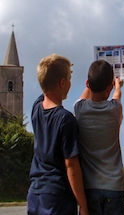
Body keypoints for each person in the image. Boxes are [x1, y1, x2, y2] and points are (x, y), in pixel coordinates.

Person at [27, 54, 89, 215]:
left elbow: (47, 84)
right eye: (69, 78)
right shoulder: (66, 120)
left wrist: (88, 88)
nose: (70, 81)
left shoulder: (36, 108)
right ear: (62, 83)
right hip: (57, 196)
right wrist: (82, 205)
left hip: (35, 193)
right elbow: (71, 166)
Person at [74, 60, 124, 215]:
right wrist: (118, 86)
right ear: (109, 87)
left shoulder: (79, 109)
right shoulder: (115, 110)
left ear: (87, 84)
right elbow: (117, 96)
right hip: (114, 186)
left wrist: (91, 84)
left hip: (89, 187)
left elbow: (83, 96)